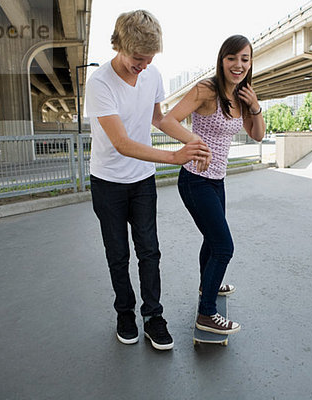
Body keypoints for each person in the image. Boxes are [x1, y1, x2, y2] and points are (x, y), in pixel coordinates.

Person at [85, 10, 211, 350]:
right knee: (117, 254)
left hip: (141, 181)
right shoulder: (99, 83)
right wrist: (174, 157)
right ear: (119, 46)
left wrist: (193, 142)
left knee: (149, 251)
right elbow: (122, 143)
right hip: (108, 181)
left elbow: (159, 119)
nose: (142, 66)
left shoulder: (152, 74)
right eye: (137, 59)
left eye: (149, 59)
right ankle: (124, 312)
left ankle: (154, 316)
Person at [160, 35, 265, 335]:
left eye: (245, 59)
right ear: (222, 60)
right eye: (232, 58)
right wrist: (195, 141)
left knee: (212, 238)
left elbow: (257, 135)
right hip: (195, 179)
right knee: (223, 246)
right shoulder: (207, 90)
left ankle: (209, 285)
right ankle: (207, 314)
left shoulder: (241, 96)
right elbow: (168, 121)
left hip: (217, 180)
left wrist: (255, 105)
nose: (238, 65)